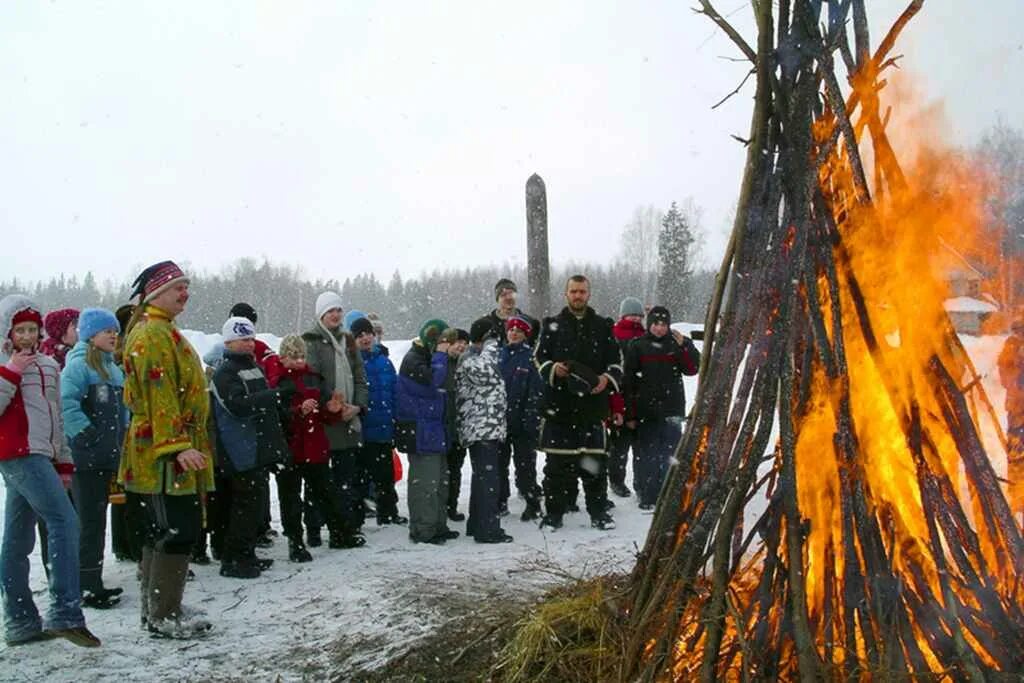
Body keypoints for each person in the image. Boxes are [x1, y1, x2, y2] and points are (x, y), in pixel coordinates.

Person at [0, 294, 100, 647]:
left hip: (42, 455)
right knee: (65, 521)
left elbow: (57, 418)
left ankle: (21, 621)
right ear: (8, 332)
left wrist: (64, 460)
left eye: (32, 329)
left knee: (18, 539)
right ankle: (65, 611)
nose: (26, 336)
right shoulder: (4, 363)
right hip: (16, 453)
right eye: (19, 330)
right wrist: (11, 370)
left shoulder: (48, 365)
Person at [120, 261, 213, 638]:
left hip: (171, 447)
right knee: (175, 529)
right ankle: (162, 614)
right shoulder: (151, 334)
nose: (185, 293)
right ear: (156, 294)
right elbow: (159, 393)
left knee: (166, 528)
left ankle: (161, 607)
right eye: (178, 287)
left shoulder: (164, 330)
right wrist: (175, 447)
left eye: (186, 286)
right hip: (160, 455)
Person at [533, 275, 622, 531]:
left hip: (592, 409)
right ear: (566, 294)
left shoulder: (603, 327)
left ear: (589, 294)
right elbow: (538, 358)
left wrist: (606, 378)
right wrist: (553, 368)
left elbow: (617, 362)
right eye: (573, 291)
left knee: (594, 467)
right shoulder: (552, 325)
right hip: (559, 408)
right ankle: (554, 516)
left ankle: (598, 514)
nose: (578, 296)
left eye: (582, 291)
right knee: (556, 469)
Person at [210, 317, 293, 578]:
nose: (248, 344)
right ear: (228, 342)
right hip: (239, 447)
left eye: (250, 338)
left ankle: (246, 553)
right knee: (243, 504)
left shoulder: (252, 367)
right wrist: (274, 395)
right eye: (242, 339)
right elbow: (237, 405)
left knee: (253, 505)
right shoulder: (225, 372)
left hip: (257, 446)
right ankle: (233, 559)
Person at [269, 335, 361, 561]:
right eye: (294, 357)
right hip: (290, 449)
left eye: (302, 356)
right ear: (283, 358)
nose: (299, 361)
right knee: (291, 498)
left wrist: (332, 408)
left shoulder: (313, 378)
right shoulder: (277, 382)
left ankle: (339, 533)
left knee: (326, 493)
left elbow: (326, 413)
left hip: (315, 446)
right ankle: (295, 541)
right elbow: (276, 417)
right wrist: (298, 411)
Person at [61, 308, 127, 608]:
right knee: (88, 521)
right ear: (90, 335)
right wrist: (86, 435)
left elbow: (122, 408)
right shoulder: (77, 367)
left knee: (98, 519)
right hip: (86, 459)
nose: (114, 335)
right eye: (106, 331)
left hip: (108, 457)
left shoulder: (112, 368)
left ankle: (92, 578)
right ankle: (85, 584)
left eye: (115, 331)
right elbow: (67, 405)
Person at [302, 292, 369, 547]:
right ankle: (315, 528)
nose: (335, 314)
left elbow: (360, 378)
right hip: (323, 422)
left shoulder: (348, 341)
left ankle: (343, 529)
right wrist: (333, 406)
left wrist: (358, 406)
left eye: (339, 310)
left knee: (345, 480)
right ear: (321, 314)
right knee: (318, 481)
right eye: (330, 310)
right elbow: (312, 379)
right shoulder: (311, 341)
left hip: (348, 421)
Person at [623, 306, 700, 510]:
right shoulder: (638, 345)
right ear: (649, 324)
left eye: (663, 324)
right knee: (646, 454)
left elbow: (692, 369)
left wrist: (685, 346)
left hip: (672, 409)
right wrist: (629, 413)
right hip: (644, 410)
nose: (659, 328)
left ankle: (667, 495)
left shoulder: (677, 344)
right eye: (655, 324)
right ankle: (646, 494)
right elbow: (628, 381)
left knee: (669, 453)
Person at [396, 319, 459, 544]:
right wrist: (442, 355)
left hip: (434, 431)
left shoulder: (427, 358)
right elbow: (435, 381)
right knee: (425, 485)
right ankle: (423, 530)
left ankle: (437, 525)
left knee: (440, 483)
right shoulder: (413, 360)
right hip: (421, 433)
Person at [229, 302, 282, 546]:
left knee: (258, 481)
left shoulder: (261, 350)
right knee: (245, 487)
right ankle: (244, 539)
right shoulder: (227, 353)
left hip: (258, 424)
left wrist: (271, 396)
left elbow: (271, 378)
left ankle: (261, 526)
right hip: (239, 429)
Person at [457, 319, 514, 543]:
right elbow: (488, 370)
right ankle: (487, 529)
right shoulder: (471, 359)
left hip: (486, 428)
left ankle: (478, 524)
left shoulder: (476, 358)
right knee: (488, 479)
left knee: (484, 477)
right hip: (481, 429)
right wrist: (491, 342)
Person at [351, 316, 406, 525]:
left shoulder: (385, 361)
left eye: (368, 334)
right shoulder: (352, 362)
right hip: (362, 430)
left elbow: (394, 392)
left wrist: (396, 419)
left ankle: (388, 512)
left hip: (384, 428)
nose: (365, 338)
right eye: (360, 335)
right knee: (360, 478)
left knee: (385, 474)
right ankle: (356, 518)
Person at [498, 316, 544, 521]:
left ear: (526, 335)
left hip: (523, 423)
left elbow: (536, 392)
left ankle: (532, 503)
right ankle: (500, 501)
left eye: (518, 331)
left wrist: (530, 419)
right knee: (499, 465)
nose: (514, 333)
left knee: (525, 467)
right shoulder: (499, 356)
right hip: (500, 423)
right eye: (511, 330)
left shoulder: (530, 357)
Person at [110, 303, 141, 564]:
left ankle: (126, 543)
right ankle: (124, 543)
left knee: (126, 486)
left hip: (129, 424)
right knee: (124, 487)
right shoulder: (119, 355)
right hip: (126, 425)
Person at [607, 297, 646, 499]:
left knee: (640, 446)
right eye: (633, 315)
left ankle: (641, 483)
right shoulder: (614, 336)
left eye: (639, 315)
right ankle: (616, 480)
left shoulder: (646, 336)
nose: (636, 319)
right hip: (620, 397)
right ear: (623, 315)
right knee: (619, 446)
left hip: (642, 399)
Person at [998, 317, 1024, 517]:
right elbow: (1005, 376)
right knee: (1016, 452)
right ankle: (1017, 496)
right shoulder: (1011, 347)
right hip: (1017, 411)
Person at [443, 328, 470, 521]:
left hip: (460, 429)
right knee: (442, 471)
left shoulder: (467, 365)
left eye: (464, 342)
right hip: (443, 426)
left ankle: (451, 505)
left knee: (455, 470)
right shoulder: (440, 364)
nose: (461, 345)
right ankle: (441, 506)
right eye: (457, 341)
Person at [487, 279, 540, 346]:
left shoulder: (529, 322)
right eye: (503, 295)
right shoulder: (486, 324)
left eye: (511, 293)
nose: (508, 297)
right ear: (498, 299)